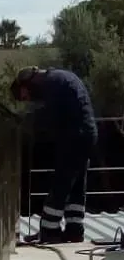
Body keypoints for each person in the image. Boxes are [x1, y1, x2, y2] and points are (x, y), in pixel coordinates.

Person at [10, 66, 98, 244]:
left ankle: (49, 230)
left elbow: (49, 118)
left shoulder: (52, 84)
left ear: (28, 83)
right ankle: (74, 230)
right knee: (76, 185)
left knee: (62, 182)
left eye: (25, 96)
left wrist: (29, 125)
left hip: (74, 136)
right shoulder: (61, 78)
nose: (29, 100)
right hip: (86, 134)